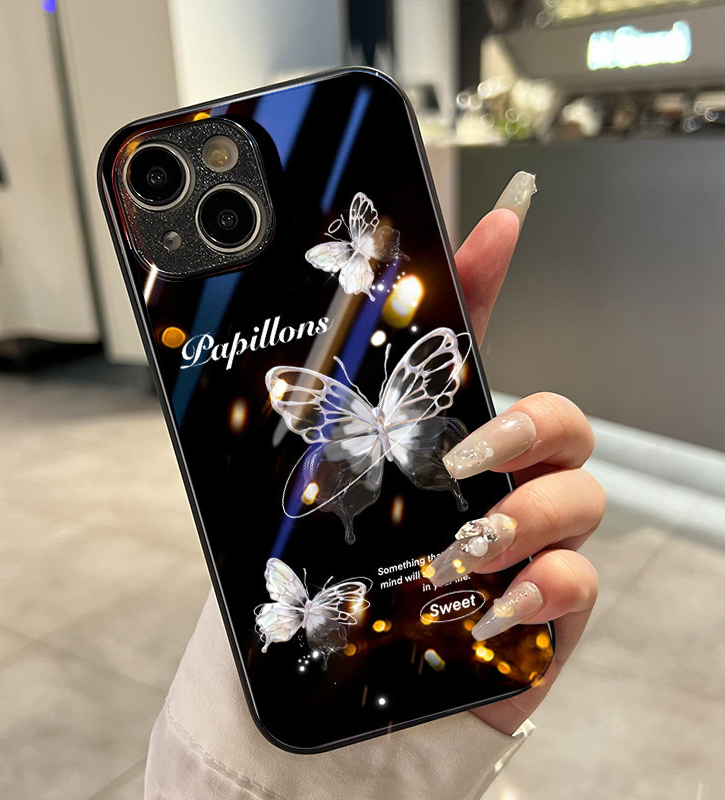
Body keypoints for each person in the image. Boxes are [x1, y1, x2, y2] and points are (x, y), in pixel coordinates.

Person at [144, 173, 606, 800]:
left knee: (432, 484)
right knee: (414, 484)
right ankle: (393, 508)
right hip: (379, 475)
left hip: (375, 470)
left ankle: (403, 506)